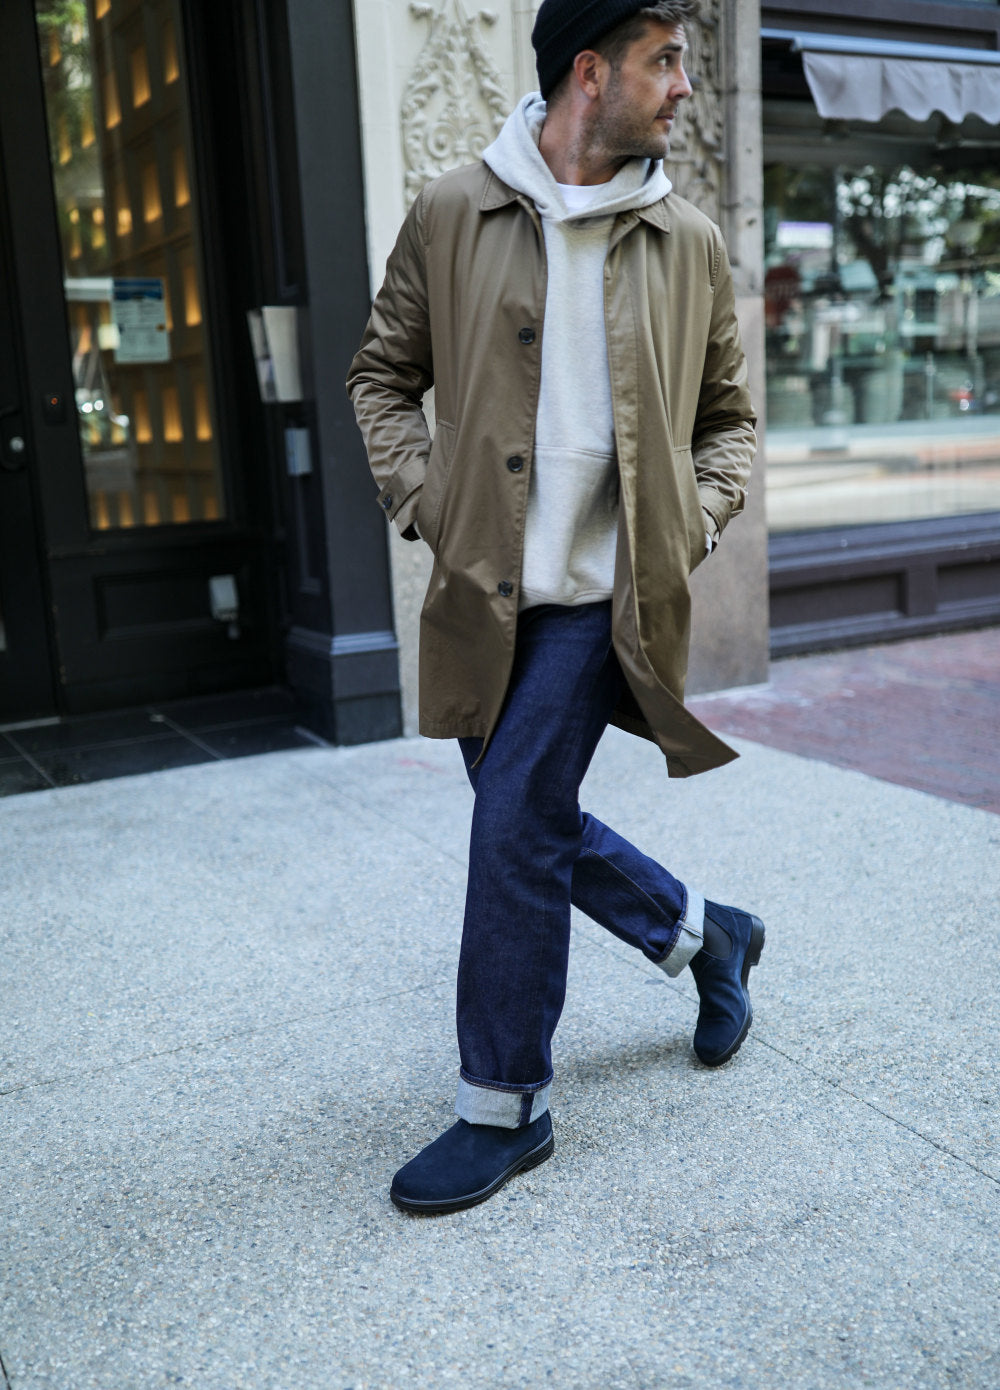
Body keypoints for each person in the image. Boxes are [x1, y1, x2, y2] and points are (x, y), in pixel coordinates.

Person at [348, 0, 763, 1216]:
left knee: (510, 829)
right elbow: (382, 376)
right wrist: (428, 500)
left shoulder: (686, 240)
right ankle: (708, 933)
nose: (683, 85)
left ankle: (504, 1105)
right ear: (590, 70)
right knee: (527, 820)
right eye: (664, 60)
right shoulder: (452, 211)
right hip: (488, 598)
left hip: (603, 599)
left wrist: (689, 523)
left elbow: (728, 421)